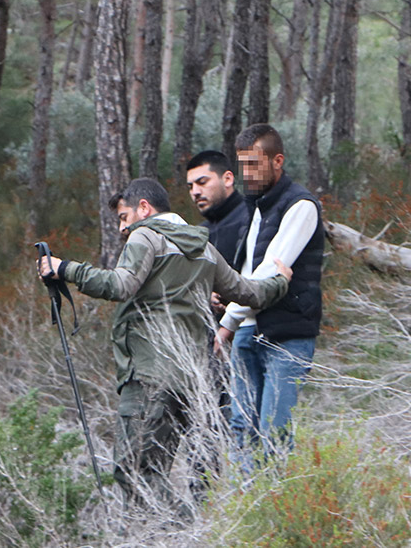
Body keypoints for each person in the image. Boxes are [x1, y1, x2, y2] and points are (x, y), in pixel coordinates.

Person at [36, 177, 291, 520]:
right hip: (195, 380)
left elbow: (120, 285)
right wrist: (281, 281)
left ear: (145, 208)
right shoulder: (204, 247)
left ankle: (168, 532)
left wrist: (64, 269)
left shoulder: (146, 234)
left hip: (149, 377)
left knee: (134, 472)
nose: (123, 229)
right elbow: (249, 293)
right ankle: (195, 529)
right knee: (180, 471)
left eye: (124, 217)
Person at [215, 123, 324, 465]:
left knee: (272, 432)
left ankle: (274, 510)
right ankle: (243, 510)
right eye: (243, 165)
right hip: (248, 331)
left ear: (278, 161)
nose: (247, 173)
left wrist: (228, 318)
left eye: (255, 164)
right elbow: (247, 270)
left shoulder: (301, 206)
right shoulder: (255, 207)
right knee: (241, 428)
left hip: (286, 335)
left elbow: (269, 273)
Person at [185, 150, 248, 269]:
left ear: (228, 179)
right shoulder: (200, 233)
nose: (195, 192)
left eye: (202, 182)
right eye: (190, 187)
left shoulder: (253, 219)